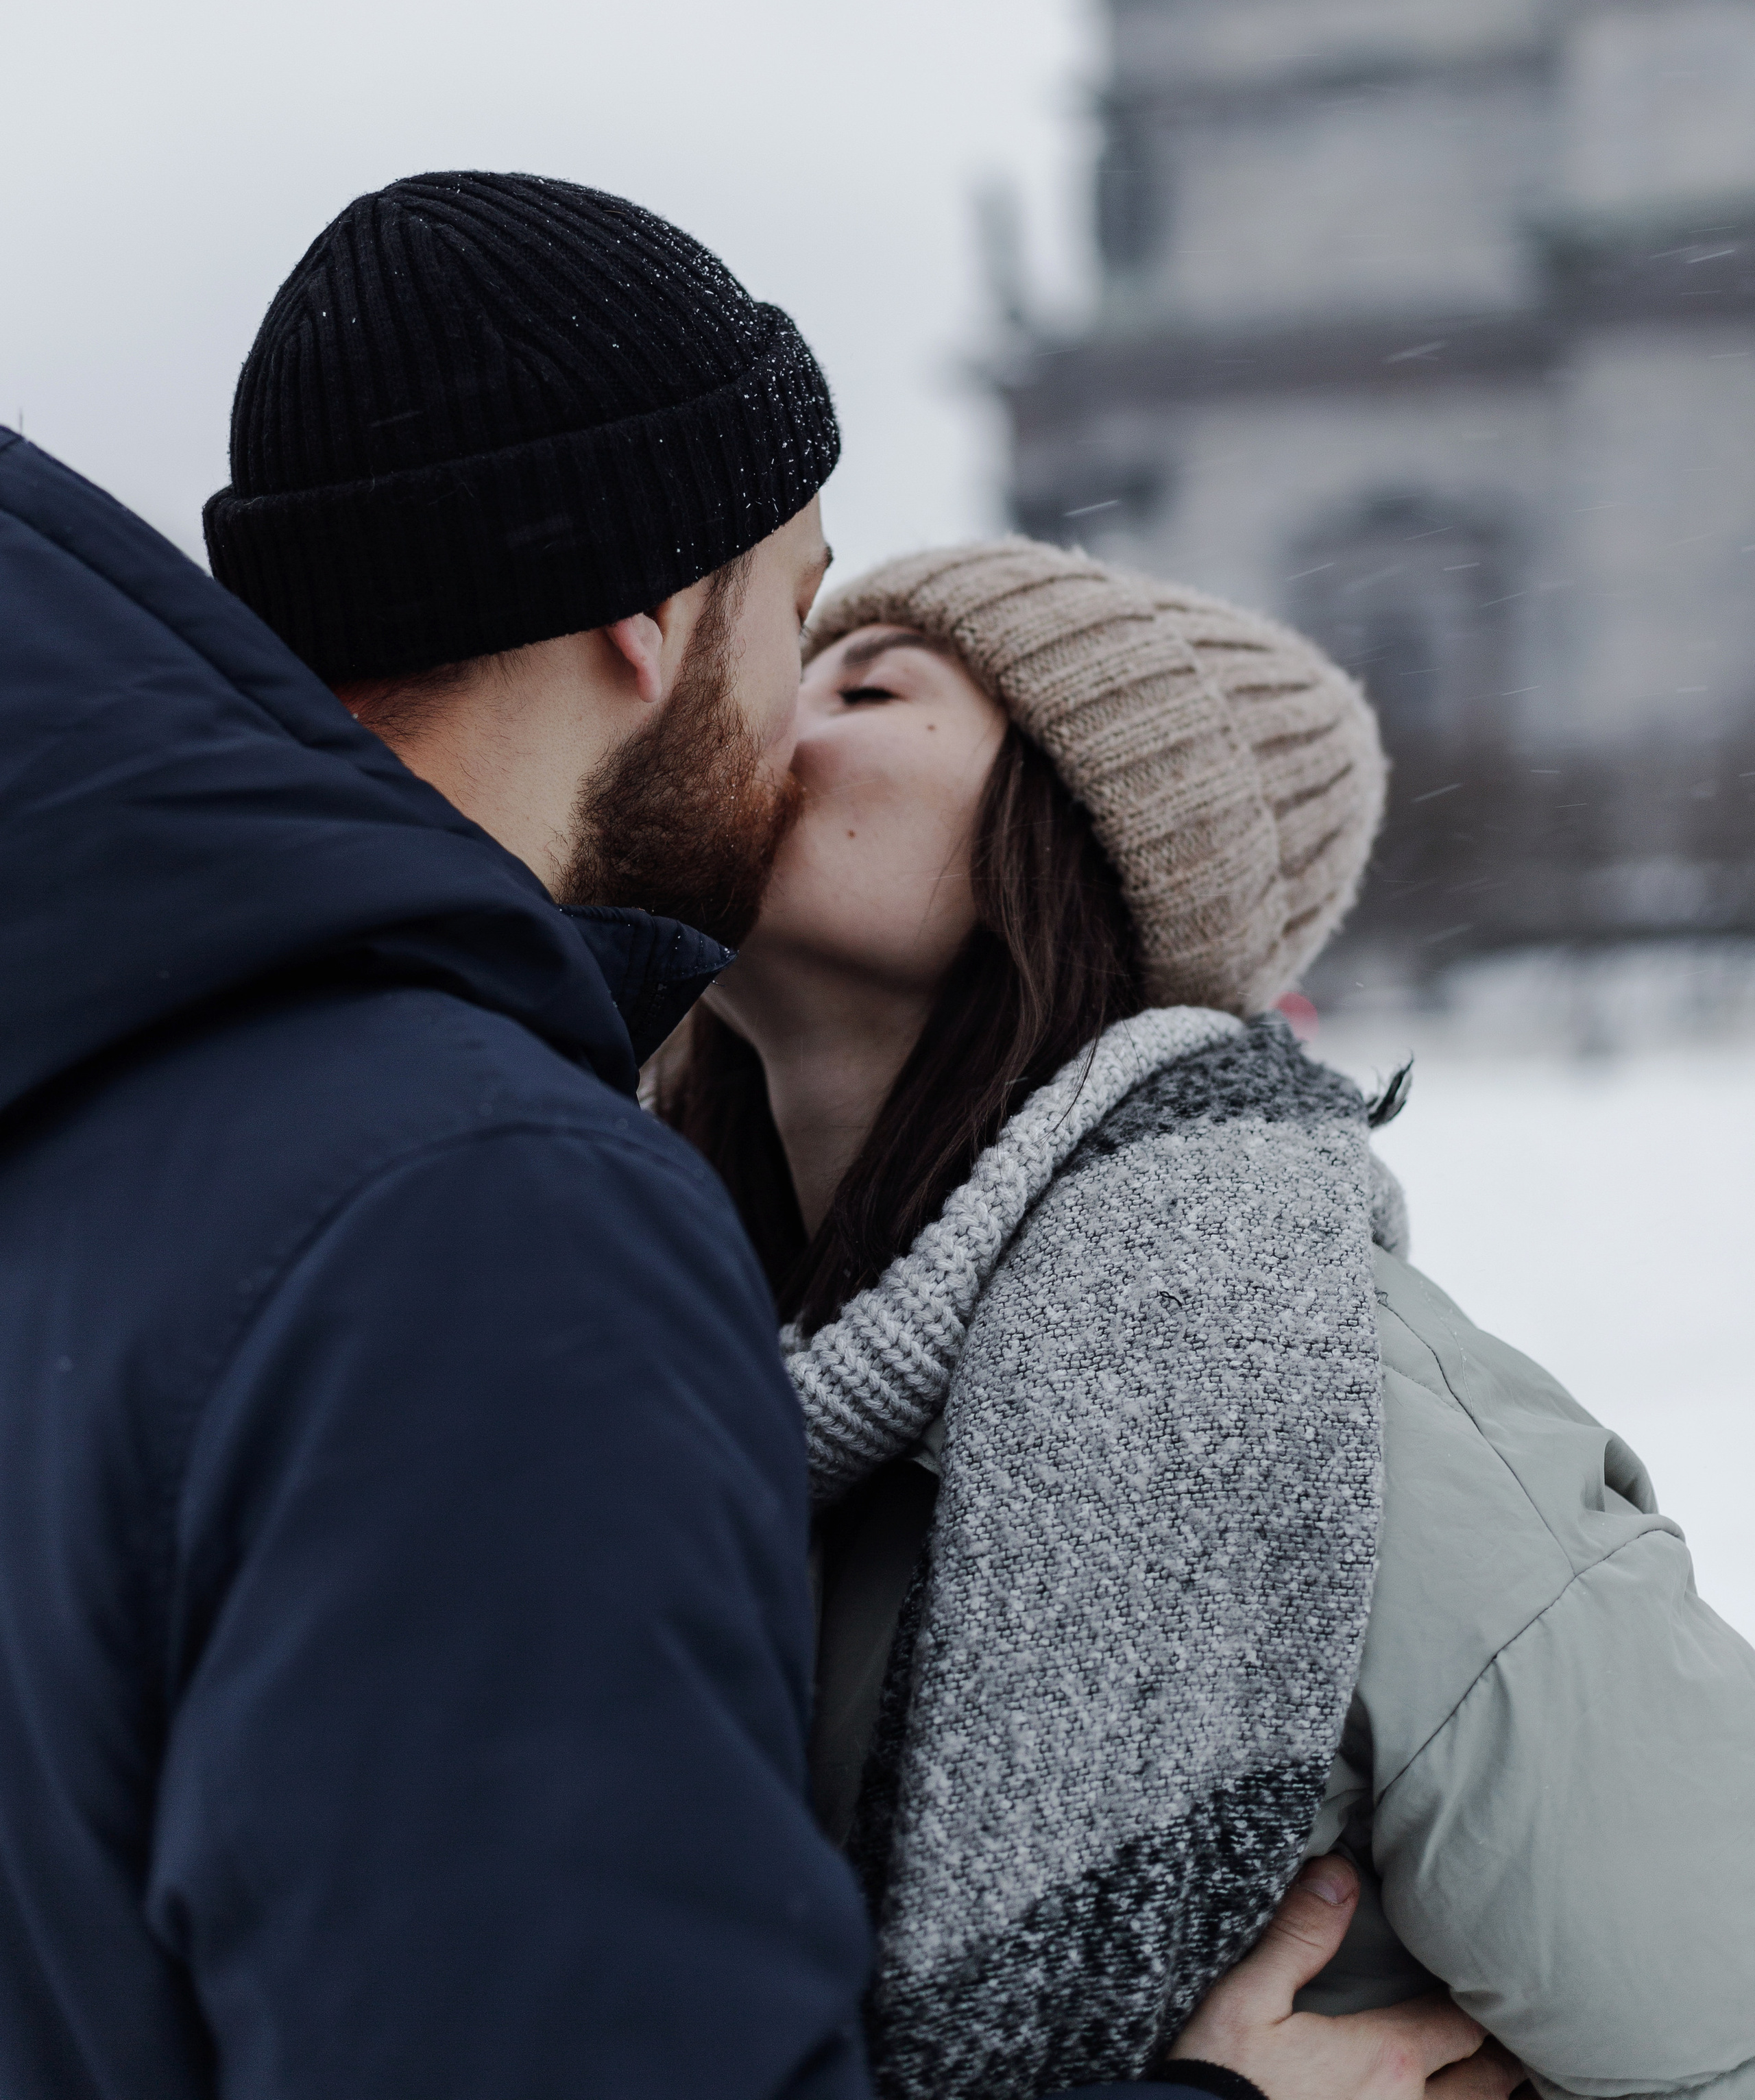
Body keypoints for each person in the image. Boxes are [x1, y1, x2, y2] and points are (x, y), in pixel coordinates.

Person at [0, 175, 1504, 2100]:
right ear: (650, 621)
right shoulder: (483, 1211)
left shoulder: (114, 1098)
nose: (799, 718)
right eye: (798, 612)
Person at [660, 534, 1755, 2100]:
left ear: (1075, 835)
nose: (768, 708)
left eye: (868, 680)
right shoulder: (672, 1383)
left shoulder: (1324, 1401)